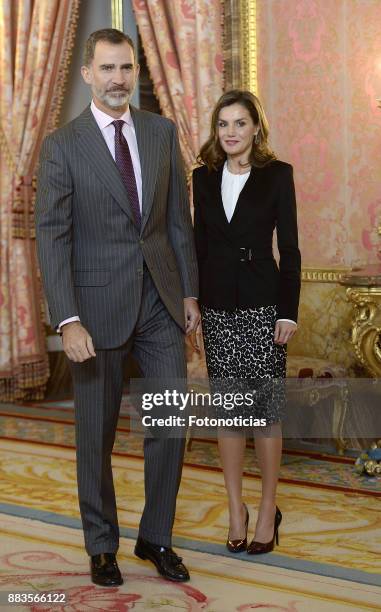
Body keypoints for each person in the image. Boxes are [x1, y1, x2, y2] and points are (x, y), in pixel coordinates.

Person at [35, 28, 200, 586]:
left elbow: (178, 222)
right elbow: (52, 236)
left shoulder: (160, 132)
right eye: (107, 68)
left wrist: (189, 294)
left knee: (169, 425)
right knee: (96, 434)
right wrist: (67, 318)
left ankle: (156, 537)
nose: (118, 79)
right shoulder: (62, 145)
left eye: (126, 68)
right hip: (95, 310)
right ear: (88, 74)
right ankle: (101, 545)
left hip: (159, 302)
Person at [192, 90, 301, 555]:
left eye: (240, 123)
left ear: (257, 127)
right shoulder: (202, 177)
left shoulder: (278, 176)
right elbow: (197, 245)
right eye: (223, 125)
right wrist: (191, 299)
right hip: (217, 308)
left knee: (264, 414)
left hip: (262, 306)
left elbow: (291, 249)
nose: (231, 132)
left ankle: (268, 505)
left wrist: (288, 311)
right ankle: (236, 507)